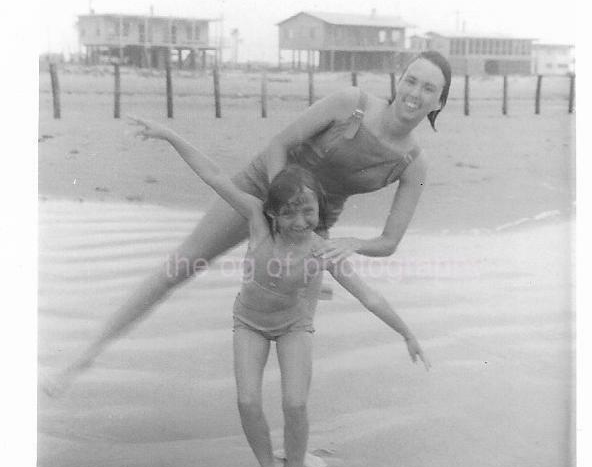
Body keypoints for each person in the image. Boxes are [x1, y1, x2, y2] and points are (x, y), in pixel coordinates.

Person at [50, 52, 451, 427]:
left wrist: (350, 241)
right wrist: (279, 208)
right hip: (264, 187)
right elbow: (279, 144)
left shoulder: (412, 164)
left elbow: (389, 241)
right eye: (411, 80)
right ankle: (85, 356)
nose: (414, 93)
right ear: (399, 80)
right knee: (181, 265)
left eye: (428, 89)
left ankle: (294, 449)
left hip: (311, 225)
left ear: (438, 103)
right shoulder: (351, 102)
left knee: (298, 332)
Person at [128, 115, 430, 467]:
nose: (301, 221)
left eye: (309, 212)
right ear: (273, 213)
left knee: (295, 403)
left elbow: (368, 296)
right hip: (249, 323)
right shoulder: (257, 221)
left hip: (293, 327)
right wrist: (170, 135)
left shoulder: (322, 249)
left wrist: (406, 332)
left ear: (320, 210)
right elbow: (214, 176)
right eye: (289, 213)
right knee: (247, 401)